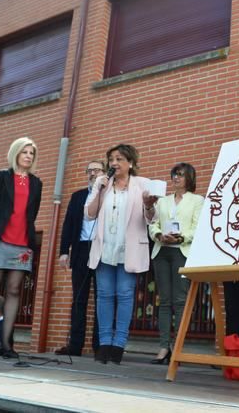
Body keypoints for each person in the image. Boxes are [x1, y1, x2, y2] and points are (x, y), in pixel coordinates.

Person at [85, 144, 158, 365]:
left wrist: (148, 206)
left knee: (125, 296)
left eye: (119, 159)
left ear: (131, 163)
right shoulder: (102, 183)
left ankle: (118, 346)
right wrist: (99, 190)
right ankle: (104, 344)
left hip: (129, 249)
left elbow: (152, 219)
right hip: (104, 248)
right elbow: (89, 214)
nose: (114, 163)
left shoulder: (143, 184)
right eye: (111, 159)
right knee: (104, 296)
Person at [0, 137, 42, 359]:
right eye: (24, 152)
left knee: (15, 290)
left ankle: (6, 345)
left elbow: (31, 215)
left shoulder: (37, 183)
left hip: (22, 243)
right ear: (15, 153)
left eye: (31, 153)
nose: (28, 156)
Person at [148, 163, 204, 364]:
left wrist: (181, 238)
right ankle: (164, 347)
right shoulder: (162, 201)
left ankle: (178, 349)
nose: (176, 178)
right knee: (164, 301)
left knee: (180, 301)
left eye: (180, 175)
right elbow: (153, 223)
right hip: (162, 252)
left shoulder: (197, 200)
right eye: (174, 175)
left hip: (182, 252)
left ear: (189, 178)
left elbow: (198, 228)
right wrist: (158, 234)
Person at [55, 160, 105, 358]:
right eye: (90, 170)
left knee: (102, 299)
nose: (92, 173)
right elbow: (68, 225)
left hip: (101, 249)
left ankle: (100, 346)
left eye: (97, 170)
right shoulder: (77, 196)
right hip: (81, 249)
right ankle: (75, 345)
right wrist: (63, 251)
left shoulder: (108, 195)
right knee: (78, 299)